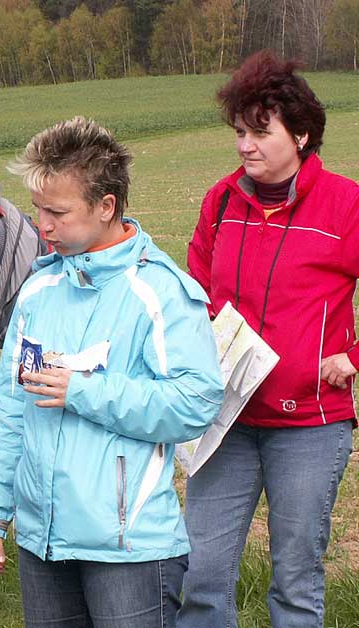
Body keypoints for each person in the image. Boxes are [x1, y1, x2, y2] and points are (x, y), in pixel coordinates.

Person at [0, 117, 223, 628]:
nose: (42, 225)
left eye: (57, 212)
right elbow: (15, 413)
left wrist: (84, 391)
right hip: (42, 542)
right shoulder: (38, 293)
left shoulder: (160, 292)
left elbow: (196, 402)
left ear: (106, 207)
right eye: (38, 209)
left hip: (129, 549)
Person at [179, 51, 358, 628]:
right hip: (226, 418)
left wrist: (352, 357)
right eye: (239, 132)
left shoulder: (346, 205)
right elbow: (198, 290)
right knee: (200, 571)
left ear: (301, 134)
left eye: (260, 132)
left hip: (309, 424)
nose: (245, 146)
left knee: (295, 580)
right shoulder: (221, 202)